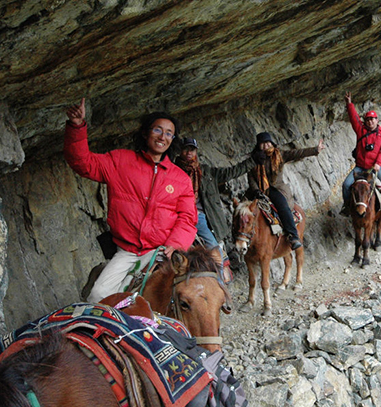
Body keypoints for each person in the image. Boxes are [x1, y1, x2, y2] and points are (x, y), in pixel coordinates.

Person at [64, 98, 197, 303]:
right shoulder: (120, 161)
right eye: (158, 130)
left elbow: (187, 218)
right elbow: (83, 163)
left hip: (161, 251)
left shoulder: (180, 178)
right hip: (127, 250)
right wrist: (77, 127)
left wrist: (175, 244)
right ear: (145, 133)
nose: (163, 137)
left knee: (181, 298)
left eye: (169, 133)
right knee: (98, 296)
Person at [174, 137, 255, 280]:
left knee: (216, 250)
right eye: (185, 149)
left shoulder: (206, 171)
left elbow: (231, 172)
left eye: (191, 149)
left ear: (196, 152)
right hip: (185, 216)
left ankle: (221, 286)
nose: (188, 152)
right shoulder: (173, 172)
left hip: (206, 218)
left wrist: (253, 161)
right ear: (180, 151)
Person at [246, 132, 325, 250]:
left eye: (267, 142)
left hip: (275, 188)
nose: (265, 146)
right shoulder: (253, 160)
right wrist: (256, 190)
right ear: (258, 146)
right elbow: (251, 177)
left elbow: (297, 153)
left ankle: (293, 235)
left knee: (282, 206)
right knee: (242, 208)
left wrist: (315, 150)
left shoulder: (279, 155)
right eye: (262, 144)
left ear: (271, 143)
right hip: (257, 190)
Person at [341, 92, 381, 223]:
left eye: (373, 119)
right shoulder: (361, 130)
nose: (370, 121)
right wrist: (349, 103)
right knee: (346, 185)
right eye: (368, 119)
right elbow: (354, 118)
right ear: (365, 121)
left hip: (376, 168)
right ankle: (346, 206)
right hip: (360, 167)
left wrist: (378, 163)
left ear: (377, 120)